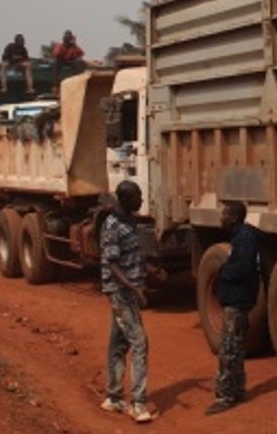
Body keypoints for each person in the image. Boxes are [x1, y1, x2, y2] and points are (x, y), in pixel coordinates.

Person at [100, 180, 155, 424]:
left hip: (128, 291)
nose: (142, 199)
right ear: (126, 199)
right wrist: (135, 289)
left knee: (118, 343)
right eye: (138, 196)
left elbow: (131, 256)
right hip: (120, 292)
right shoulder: (112, 225)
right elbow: (112, 264)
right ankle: (138, 403)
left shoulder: (129, 221)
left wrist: (151, 270)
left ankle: (113, 397)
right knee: (140, 342)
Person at [207, 200, 261, 416]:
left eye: (225, 214)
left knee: (228, 349)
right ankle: (237, 389)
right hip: (236, 300)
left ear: (234, 218)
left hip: (237, 301)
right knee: (236, 347)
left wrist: (223, 274)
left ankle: (225, 395)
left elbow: (243, 267)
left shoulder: (245, 238)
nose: (221, 217)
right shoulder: (241, 237)